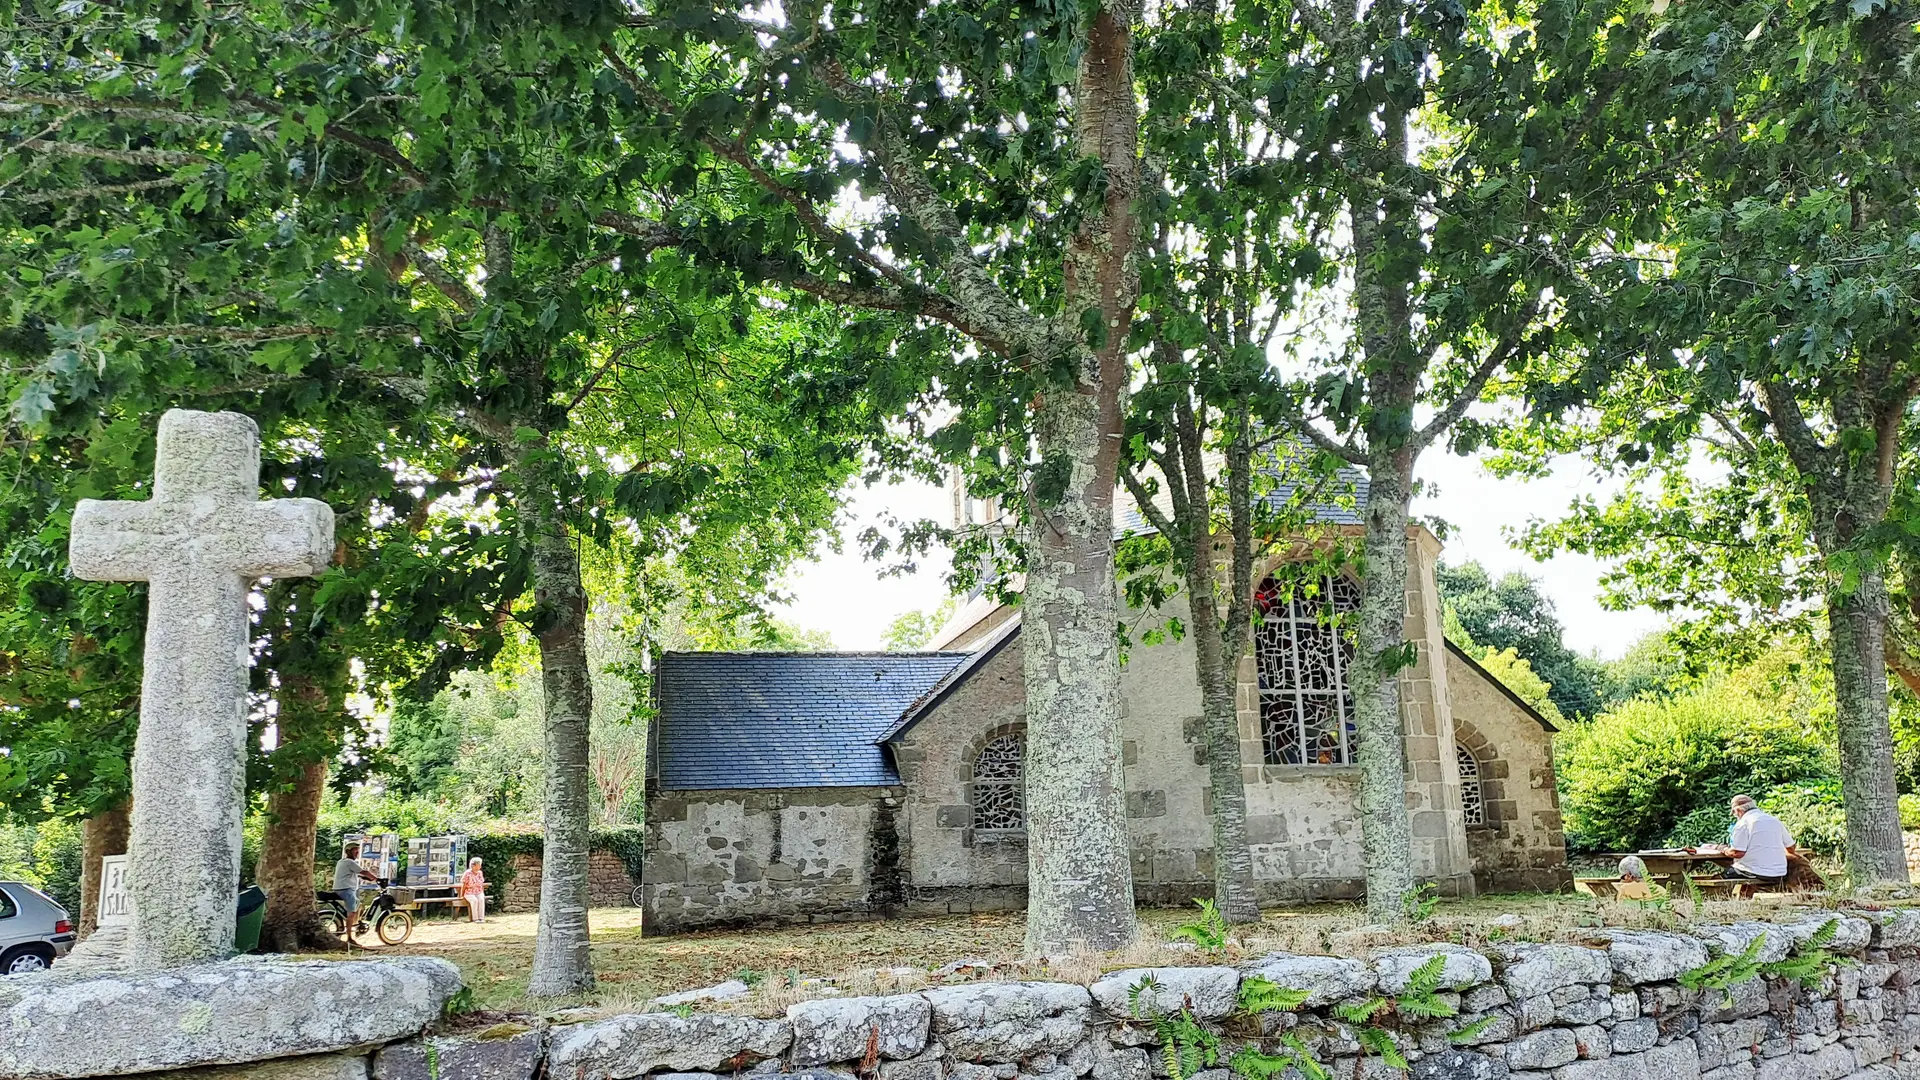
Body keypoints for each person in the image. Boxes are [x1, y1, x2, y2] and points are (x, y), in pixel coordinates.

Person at [1723, 794, 1796, 886]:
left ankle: (1736, 898)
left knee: (1726, 873)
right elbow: (1791, 847)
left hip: (1754, 872)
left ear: (1738, 810)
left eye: (1734, 813)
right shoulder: (1774, 820)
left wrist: (1724, 850)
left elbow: (1737, 853)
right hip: (1779, 873)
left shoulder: (1743, 823)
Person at [332, 842, 378, 936]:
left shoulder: (342, 861)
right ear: (348, 852)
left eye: (357, 850)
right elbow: (364, 872)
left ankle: (357, 924)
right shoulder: (350, 862)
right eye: (354, 850)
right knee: (351, 912)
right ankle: (349, 937)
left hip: (341, 889)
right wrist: (376, 878)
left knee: (357, 904)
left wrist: (364, 877)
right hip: (346, 890)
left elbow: (354, 874)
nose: (357, 852)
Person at [459, 856, 487, 924]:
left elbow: (481, 884)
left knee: (481, 899)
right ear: (473, 865)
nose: (479, 866)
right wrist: (462, 895)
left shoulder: (480, 873)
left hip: (478, 891)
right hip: (469, 892)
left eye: (480, 865)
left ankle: (481, 918)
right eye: (478, 865)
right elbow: (464, 884)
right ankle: (475, 918)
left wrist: (482, 892)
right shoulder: (467, 873)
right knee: (474, 901)